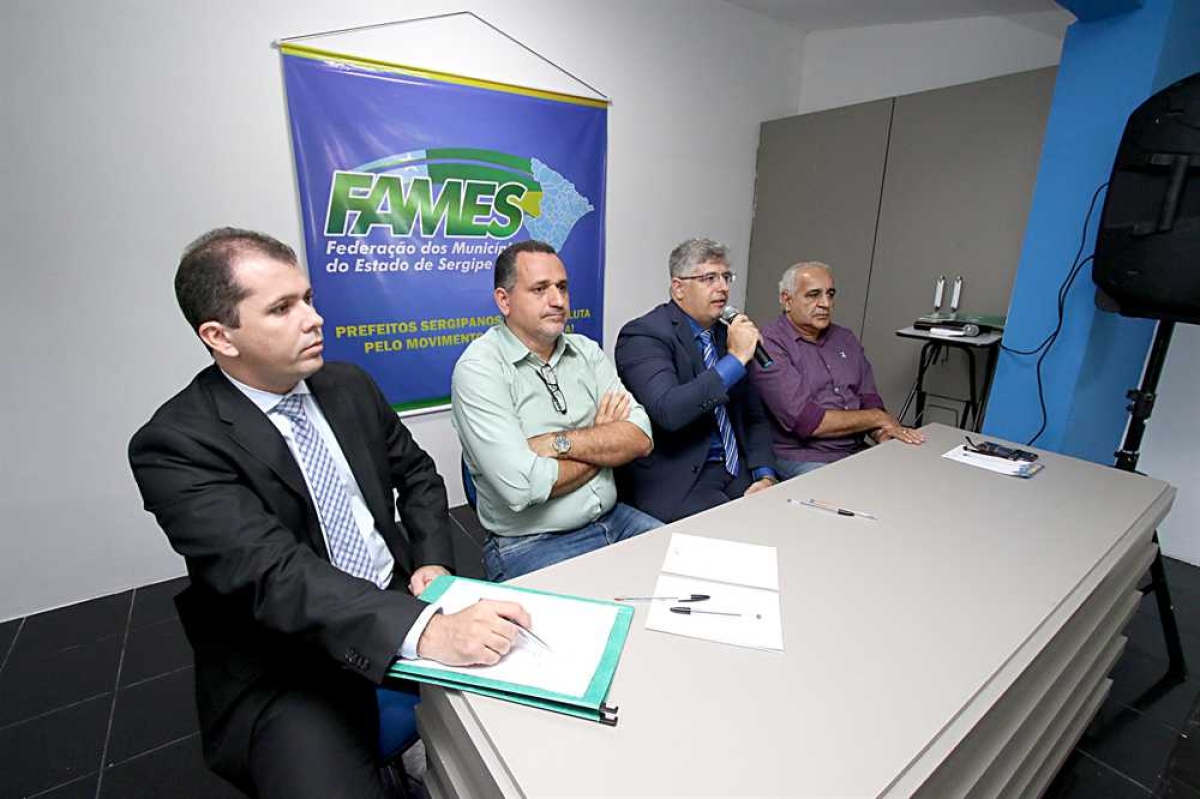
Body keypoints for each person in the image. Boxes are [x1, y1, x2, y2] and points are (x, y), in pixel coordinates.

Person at [128, 228, 531, 799]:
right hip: (288, 657)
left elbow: (416, 475)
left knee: (526, 734)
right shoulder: (176, 443)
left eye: (309, 299)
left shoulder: (347, 385)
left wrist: (434, 564)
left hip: (399, 597)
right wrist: (426, 630)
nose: (314, 319)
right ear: (220, 336)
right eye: (282, 308)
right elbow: (271, 573)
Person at [451, 239, 658, 582]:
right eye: (540, 289)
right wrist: (603, 442)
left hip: (615, 520)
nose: (558, 300)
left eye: (562, 287)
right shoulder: (479, 369)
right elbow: (524, 487)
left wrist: (559, 442)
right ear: (504, 300)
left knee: (693, 580)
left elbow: (641, 437)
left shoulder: (586, 351)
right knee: (605, 630)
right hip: (533, 544)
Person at [614, 238, 778, 523]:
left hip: (734, 468)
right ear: (678, 288)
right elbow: (669, 411)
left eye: (726, 277)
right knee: (736, 536)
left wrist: (765, 475)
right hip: (681, 478)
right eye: (709, 278)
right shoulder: (643, 335)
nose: (723, 287)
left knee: (776, 523)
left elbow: (754, 417)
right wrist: (735, 360)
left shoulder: (726, 333)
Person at [751, 261, 924, 479]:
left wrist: (882, 433)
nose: (825, 303)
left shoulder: (845, 338)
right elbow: (807, 422)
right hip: (805, 457)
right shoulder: (768, 344)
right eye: (813, 295)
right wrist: (878, 419)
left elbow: (869, 398)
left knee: (911, 476)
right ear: (787, 300)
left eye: (830, 294)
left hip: (854, 450)